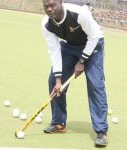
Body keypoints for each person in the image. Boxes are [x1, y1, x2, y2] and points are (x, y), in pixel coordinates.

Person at [41, 0, 108, 147]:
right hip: (70, 47)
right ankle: (58, 122)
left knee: (95, 86)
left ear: (60, 2)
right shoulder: (47, 24)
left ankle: (101, 131)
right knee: (53, 82)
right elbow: (54, 52)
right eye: (46, 6)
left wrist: (82, 61)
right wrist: (59, 80)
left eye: (53, 5)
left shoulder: (79, 14)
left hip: (93, 44)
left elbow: (94, 36)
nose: (50, 9)